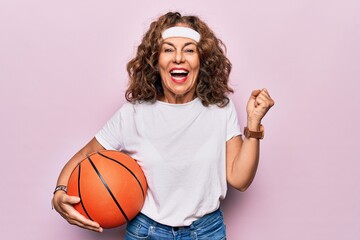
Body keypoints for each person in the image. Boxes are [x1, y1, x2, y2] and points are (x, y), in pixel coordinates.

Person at [52, 11, 274, 239]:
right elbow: (85, 155)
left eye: (189, 49)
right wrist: (60, 192)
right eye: (168, 49)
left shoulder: (220, 109)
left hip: (207, 232)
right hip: (147, 232)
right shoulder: (134, 113)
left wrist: (254, 125)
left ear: (202, 60)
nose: (178, 58)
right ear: (155, 61)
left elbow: (240, 179)